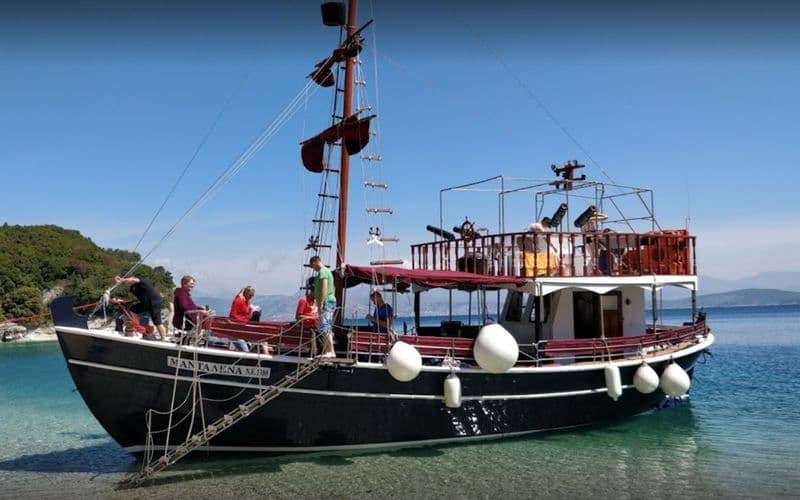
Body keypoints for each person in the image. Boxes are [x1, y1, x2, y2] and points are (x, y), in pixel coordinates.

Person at [111, 275, 166, 340]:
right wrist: (118, 300)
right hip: (146, 304)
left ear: (132, 278)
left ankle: (163, 339)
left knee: (157, 322)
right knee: (133, 310)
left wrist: (122, 280)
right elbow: (129, 298)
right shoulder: (132, 288)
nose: (126, 283)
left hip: (154, 303)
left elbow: (133, 280)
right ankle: (139, 326)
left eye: (127, 280)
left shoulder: (141, 281)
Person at [309, 255, 336, 358]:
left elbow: (324, 287)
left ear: (315, 262)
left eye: (313, 266)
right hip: (329, 301)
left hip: (326, 302)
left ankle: (330, 351)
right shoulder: (327, 271)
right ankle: (329, 351)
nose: (313, 269)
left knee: (325, 326)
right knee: (325, 327)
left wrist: (321, 303)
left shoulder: (323, 271)